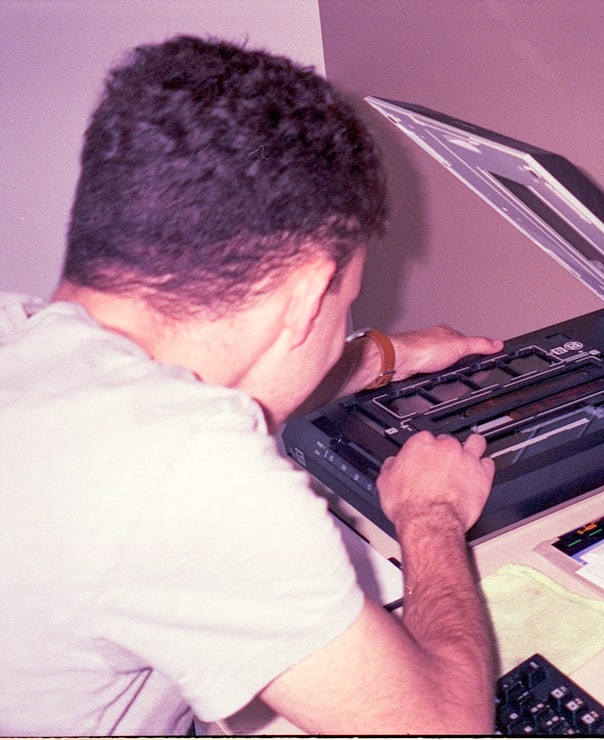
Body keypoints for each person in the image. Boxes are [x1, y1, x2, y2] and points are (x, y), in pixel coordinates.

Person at [0, 35, 505, 736]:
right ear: (304, 299)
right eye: (345, 299)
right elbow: (445, 729)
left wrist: (382, 355)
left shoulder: (24, 338)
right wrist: (431, 518)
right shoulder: (186, 470)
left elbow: (219, 378)